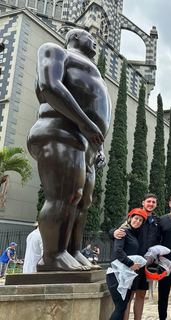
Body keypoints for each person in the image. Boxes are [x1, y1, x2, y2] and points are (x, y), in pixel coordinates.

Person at [27, 28, 111, 271]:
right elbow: (48, 86)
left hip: (88, 146)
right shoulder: (55, 51)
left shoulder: (95, 73)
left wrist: (99, 146)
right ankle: (53, 255)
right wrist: (84, 122)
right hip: (60, 130)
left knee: (83, 201)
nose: (94, 41)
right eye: (89, 37)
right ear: (74, 37)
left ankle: (72, 250)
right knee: (65, 196)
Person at [111, 193, 162, 320]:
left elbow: (160, 239)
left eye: (153, 202)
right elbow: (117, 230)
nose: (151, 204)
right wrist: (114, 233)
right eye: (148, 201)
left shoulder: (157, 221)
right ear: (143, 202)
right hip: (133, 263)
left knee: (141, 293)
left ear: (156, 205)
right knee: (130, 295)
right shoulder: (135, 216)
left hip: (148, 263)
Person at [107, 208, 147, 320]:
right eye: (136, 218)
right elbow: (118, 251)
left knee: (123, 306)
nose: (138, 221)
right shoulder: (123, 231)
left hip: (126, 274)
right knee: (120, 307)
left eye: (140, 220)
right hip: (116, 273)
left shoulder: (133, 233)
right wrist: (131, 264)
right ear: (129, 218)